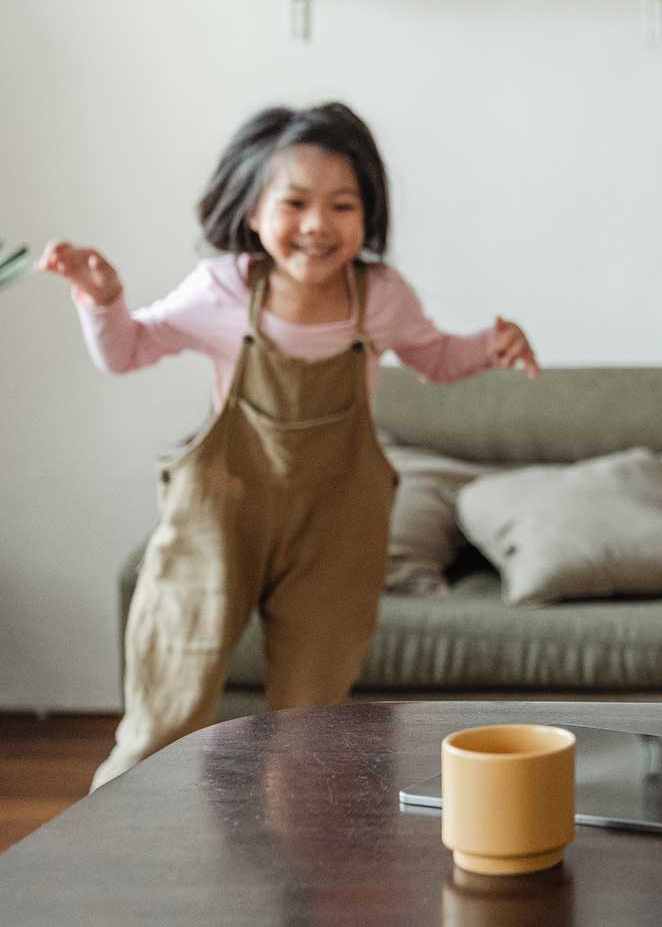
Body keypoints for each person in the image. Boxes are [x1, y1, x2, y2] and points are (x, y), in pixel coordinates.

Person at [39, 102, 539, 787]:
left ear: (368, 216)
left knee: (309, 729)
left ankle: (294, 878)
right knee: (165, 710)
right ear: (251, 211)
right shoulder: (221, 289)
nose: (317, 225)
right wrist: (102, 301)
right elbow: (128, 351)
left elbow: (437, 359)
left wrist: (491, 345)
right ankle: (109, 860)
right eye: (295, 202)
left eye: (342, 205)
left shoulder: (380, 297)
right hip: (219, 519)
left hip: (334, 530)